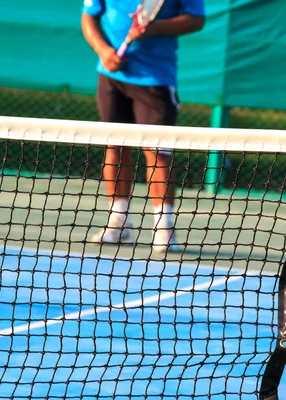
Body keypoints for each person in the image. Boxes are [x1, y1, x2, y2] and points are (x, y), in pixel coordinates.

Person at [81, 0, 205, 253]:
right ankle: (119, 222)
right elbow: (89, 16)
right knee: (114, 146)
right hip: (111, 77)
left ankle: (163, 227)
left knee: (158, 152)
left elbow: (196, 19)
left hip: (155, 80)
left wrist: (154, 27)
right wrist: (103, 51)